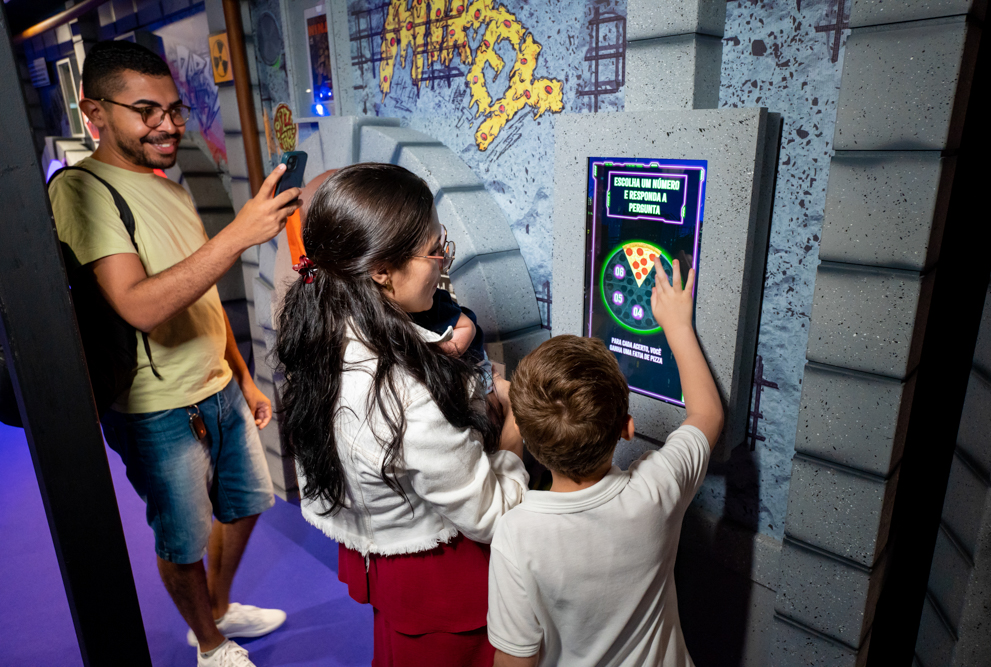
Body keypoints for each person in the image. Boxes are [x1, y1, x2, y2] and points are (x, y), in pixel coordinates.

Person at [49, 40, 302, 667]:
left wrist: (241, 375)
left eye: (173, 109)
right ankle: (210, 645)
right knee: (182, 539)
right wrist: (239, 234)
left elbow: (200, 293)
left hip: (218, 385)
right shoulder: (81, 191)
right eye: (146, 111)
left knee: (247, 505)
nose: (168, 124)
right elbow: (137, 304)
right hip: (156, 406)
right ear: (95, 112)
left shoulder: (167, 185)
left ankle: (216, 608)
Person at [275, 163, 528, 666]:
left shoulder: (319, 330)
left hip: (386, 563)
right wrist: (516, 427)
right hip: (445, 586)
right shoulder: (407, 393)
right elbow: (491, 514)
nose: (444, 261)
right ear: (380, 270)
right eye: (435, 249)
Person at [488, 256, 725, 666]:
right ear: (627, 428)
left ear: (527, 436)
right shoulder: (656, 489)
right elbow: (708, 414)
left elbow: (515, 660)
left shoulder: (517, 534)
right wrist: (677, 326)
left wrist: (513, 420)